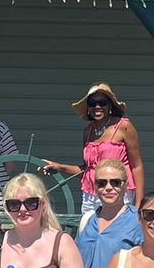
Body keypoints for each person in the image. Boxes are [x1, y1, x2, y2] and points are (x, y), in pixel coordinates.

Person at [41, 82, 145, 216]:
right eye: (92, 103)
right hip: (91, 194)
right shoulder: (88, 131)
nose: (97, 107)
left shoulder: (123, 126)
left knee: (117, 227)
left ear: (110, 106)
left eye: (102, 103)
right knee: (88, 227)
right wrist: (59, 167)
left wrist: (139, 204)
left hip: (117, 191)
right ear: (88, 108)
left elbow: (137, 166)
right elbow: (88, 169)